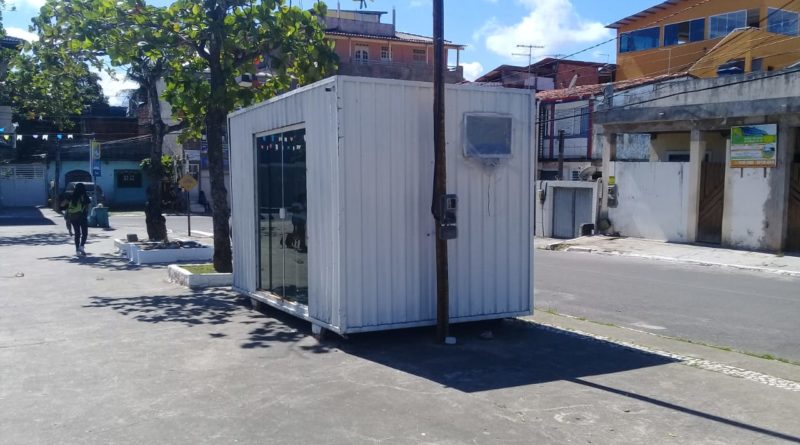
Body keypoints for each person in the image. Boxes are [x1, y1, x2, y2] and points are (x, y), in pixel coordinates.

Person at [66, 183, 90, 256]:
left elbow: (66, 205)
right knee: (84, 233)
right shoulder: (85, 196)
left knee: (77, 234)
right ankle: (81, 246)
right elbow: (88, 207)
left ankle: (77, 250)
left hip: (73, 217)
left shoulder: (72, 196)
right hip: (82, 216)